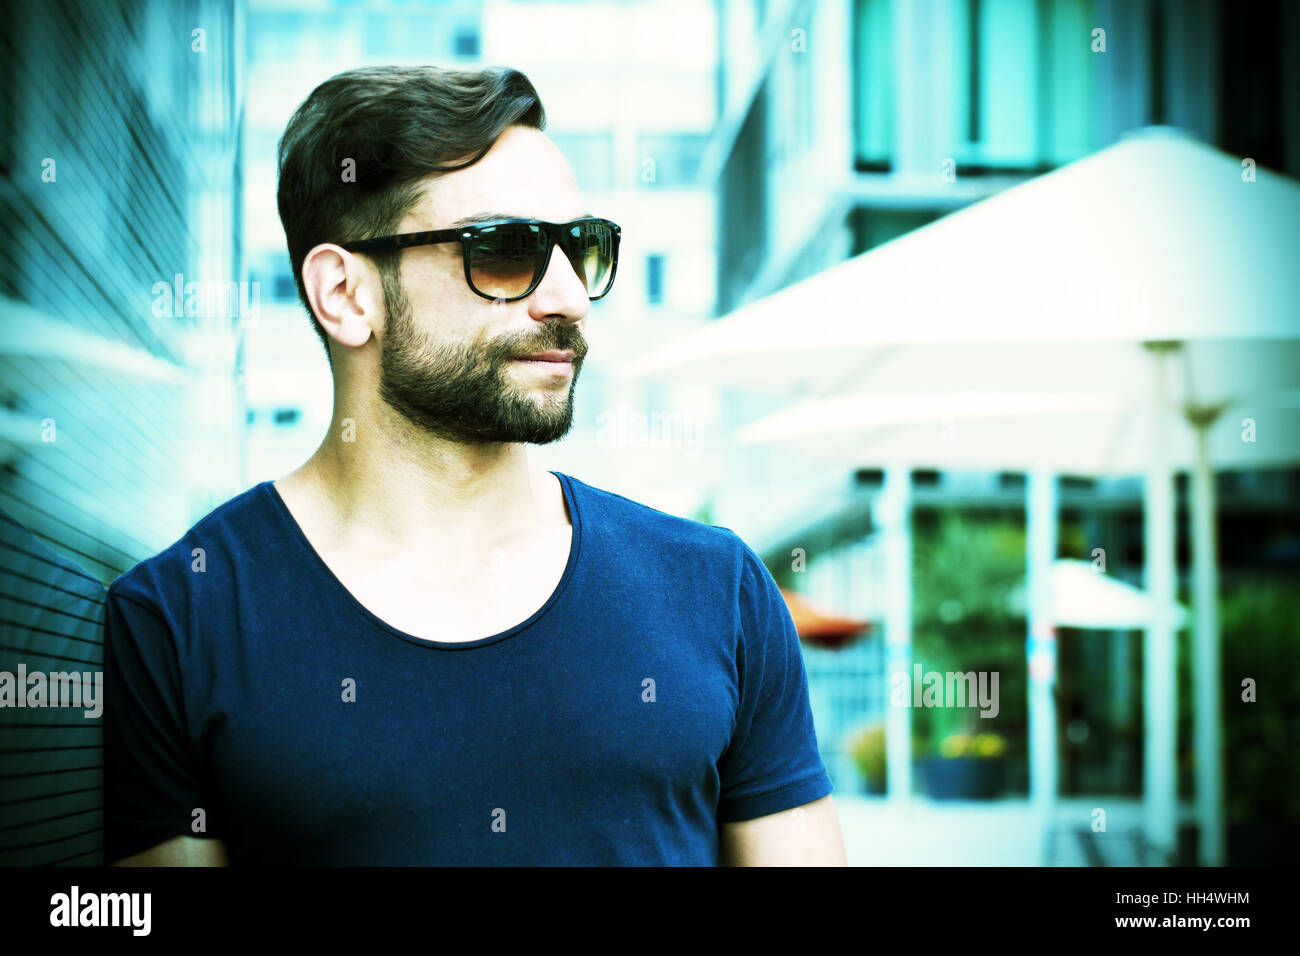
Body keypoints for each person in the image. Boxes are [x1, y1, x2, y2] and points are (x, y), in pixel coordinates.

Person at [103, 65, 845, 866]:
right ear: (346, 295)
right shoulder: (181, 619)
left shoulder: (717, 590)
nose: (568, 297)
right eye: (503, 250)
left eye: (583, 247)